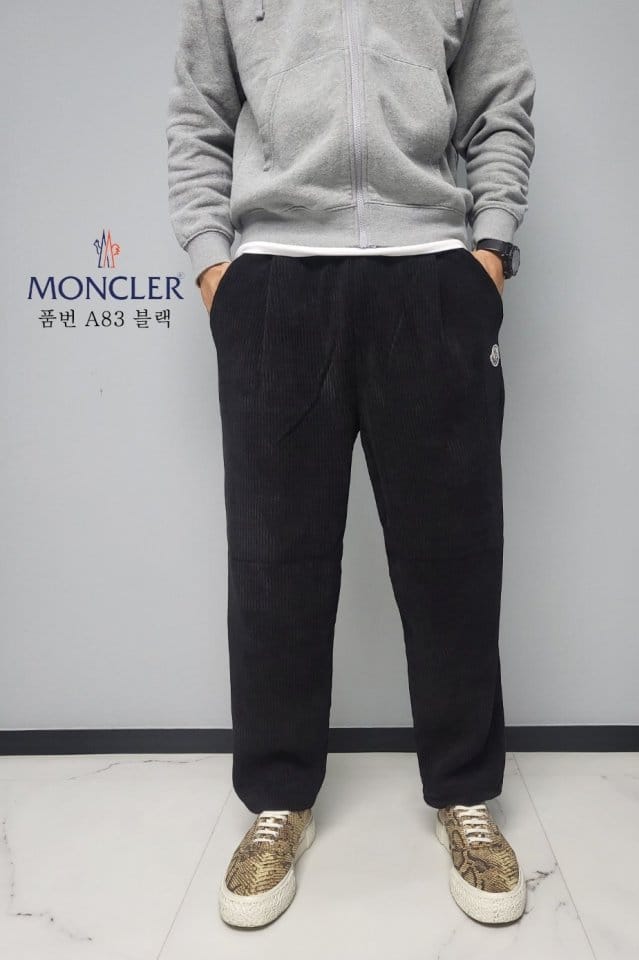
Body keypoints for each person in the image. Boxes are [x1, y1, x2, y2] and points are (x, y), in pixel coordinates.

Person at [166, 0, 536, 929]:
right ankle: (276, 802)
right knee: (273, 565)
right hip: (276, 277)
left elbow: (499, 99)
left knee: (453, 557)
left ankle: (466, 794)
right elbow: (198, 111)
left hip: (432, 271)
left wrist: (489, 250)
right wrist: (215, 266)